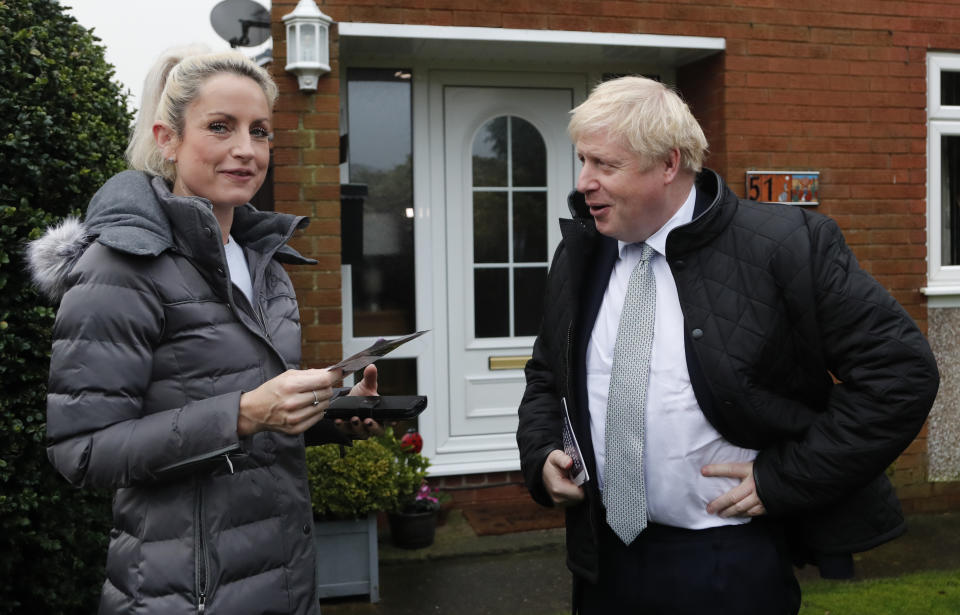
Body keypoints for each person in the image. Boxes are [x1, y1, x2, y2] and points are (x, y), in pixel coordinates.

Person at [516, 76, 939, 614]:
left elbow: (900, 373)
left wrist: (787, 478)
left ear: (669, 164)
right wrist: (539, 453)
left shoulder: (785, 246)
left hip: (729, 560)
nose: (583, 183)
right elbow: (546, 377)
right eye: (583, 161)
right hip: (604, 561)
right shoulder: (579, 255)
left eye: (605, 165)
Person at [27, 46, 380, 614]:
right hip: (186, 593)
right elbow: (82, 450)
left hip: (284, 576)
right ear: (167, 138)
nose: (246, 149)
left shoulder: (263, 260)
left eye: (260, 131)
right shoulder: (120, 267)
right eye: (221, 127)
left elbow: (246, 410)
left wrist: (324, 414)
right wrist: (243, 413)